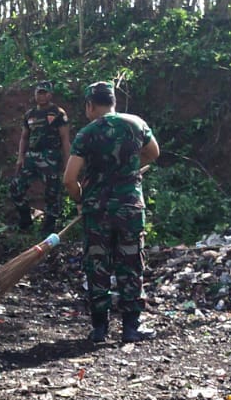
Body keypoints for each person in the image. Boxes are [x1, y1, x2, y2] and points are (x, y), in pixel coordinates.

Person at [63, 81, 161, 343]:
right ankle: (131, 328)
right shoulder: (136, 124)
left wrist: (81, 200)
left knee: (97, 267)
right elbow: (153, 153)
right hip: (130, 208)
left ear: (90, 105)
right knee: (131, 265)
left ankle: (99, 329)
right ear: (113, 102)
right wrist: (130, 167)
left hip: (98, 211)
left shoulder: (87, 133)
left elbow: (69, 179)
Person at [11, 81, 72, 234]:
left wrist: (68, 162)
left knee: (52, 194)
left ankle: (49, 228)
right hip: (31, 157)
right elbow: (24, 137)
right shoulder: (29, 114)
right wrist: (20, 157)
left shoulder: (58, 113)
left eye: (45, 93)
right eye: (39, 93)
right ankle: (26, 219)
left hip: (51, 157)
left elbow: (65, 139)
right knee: (16, 188)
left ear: (50, 95)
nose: (42, 96)